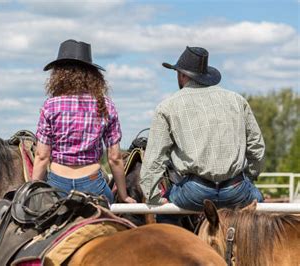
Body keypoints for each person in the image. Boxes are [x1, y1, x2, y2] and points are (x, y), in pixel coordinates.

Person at [139, 46, 265, 215]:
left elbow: (155, 157)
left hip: (194, 193)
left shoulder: (167, 107)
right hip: (236, 190)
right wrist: (249, 176)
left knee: (166, 216)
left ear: (183, 75)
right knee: (262, 210)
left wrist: (152, 195)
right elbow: (256, 147)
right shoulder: (237, 100)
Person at [32, 39, 136, 204]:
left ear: (58, 75)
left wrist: (32, 191)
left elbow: (42, 156)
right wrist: (123, 195)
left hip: (58, 183)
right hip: (93, 183)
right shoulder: (106, 105)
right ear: (92, 75)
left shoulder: (50, 106)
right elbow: (115, 157)